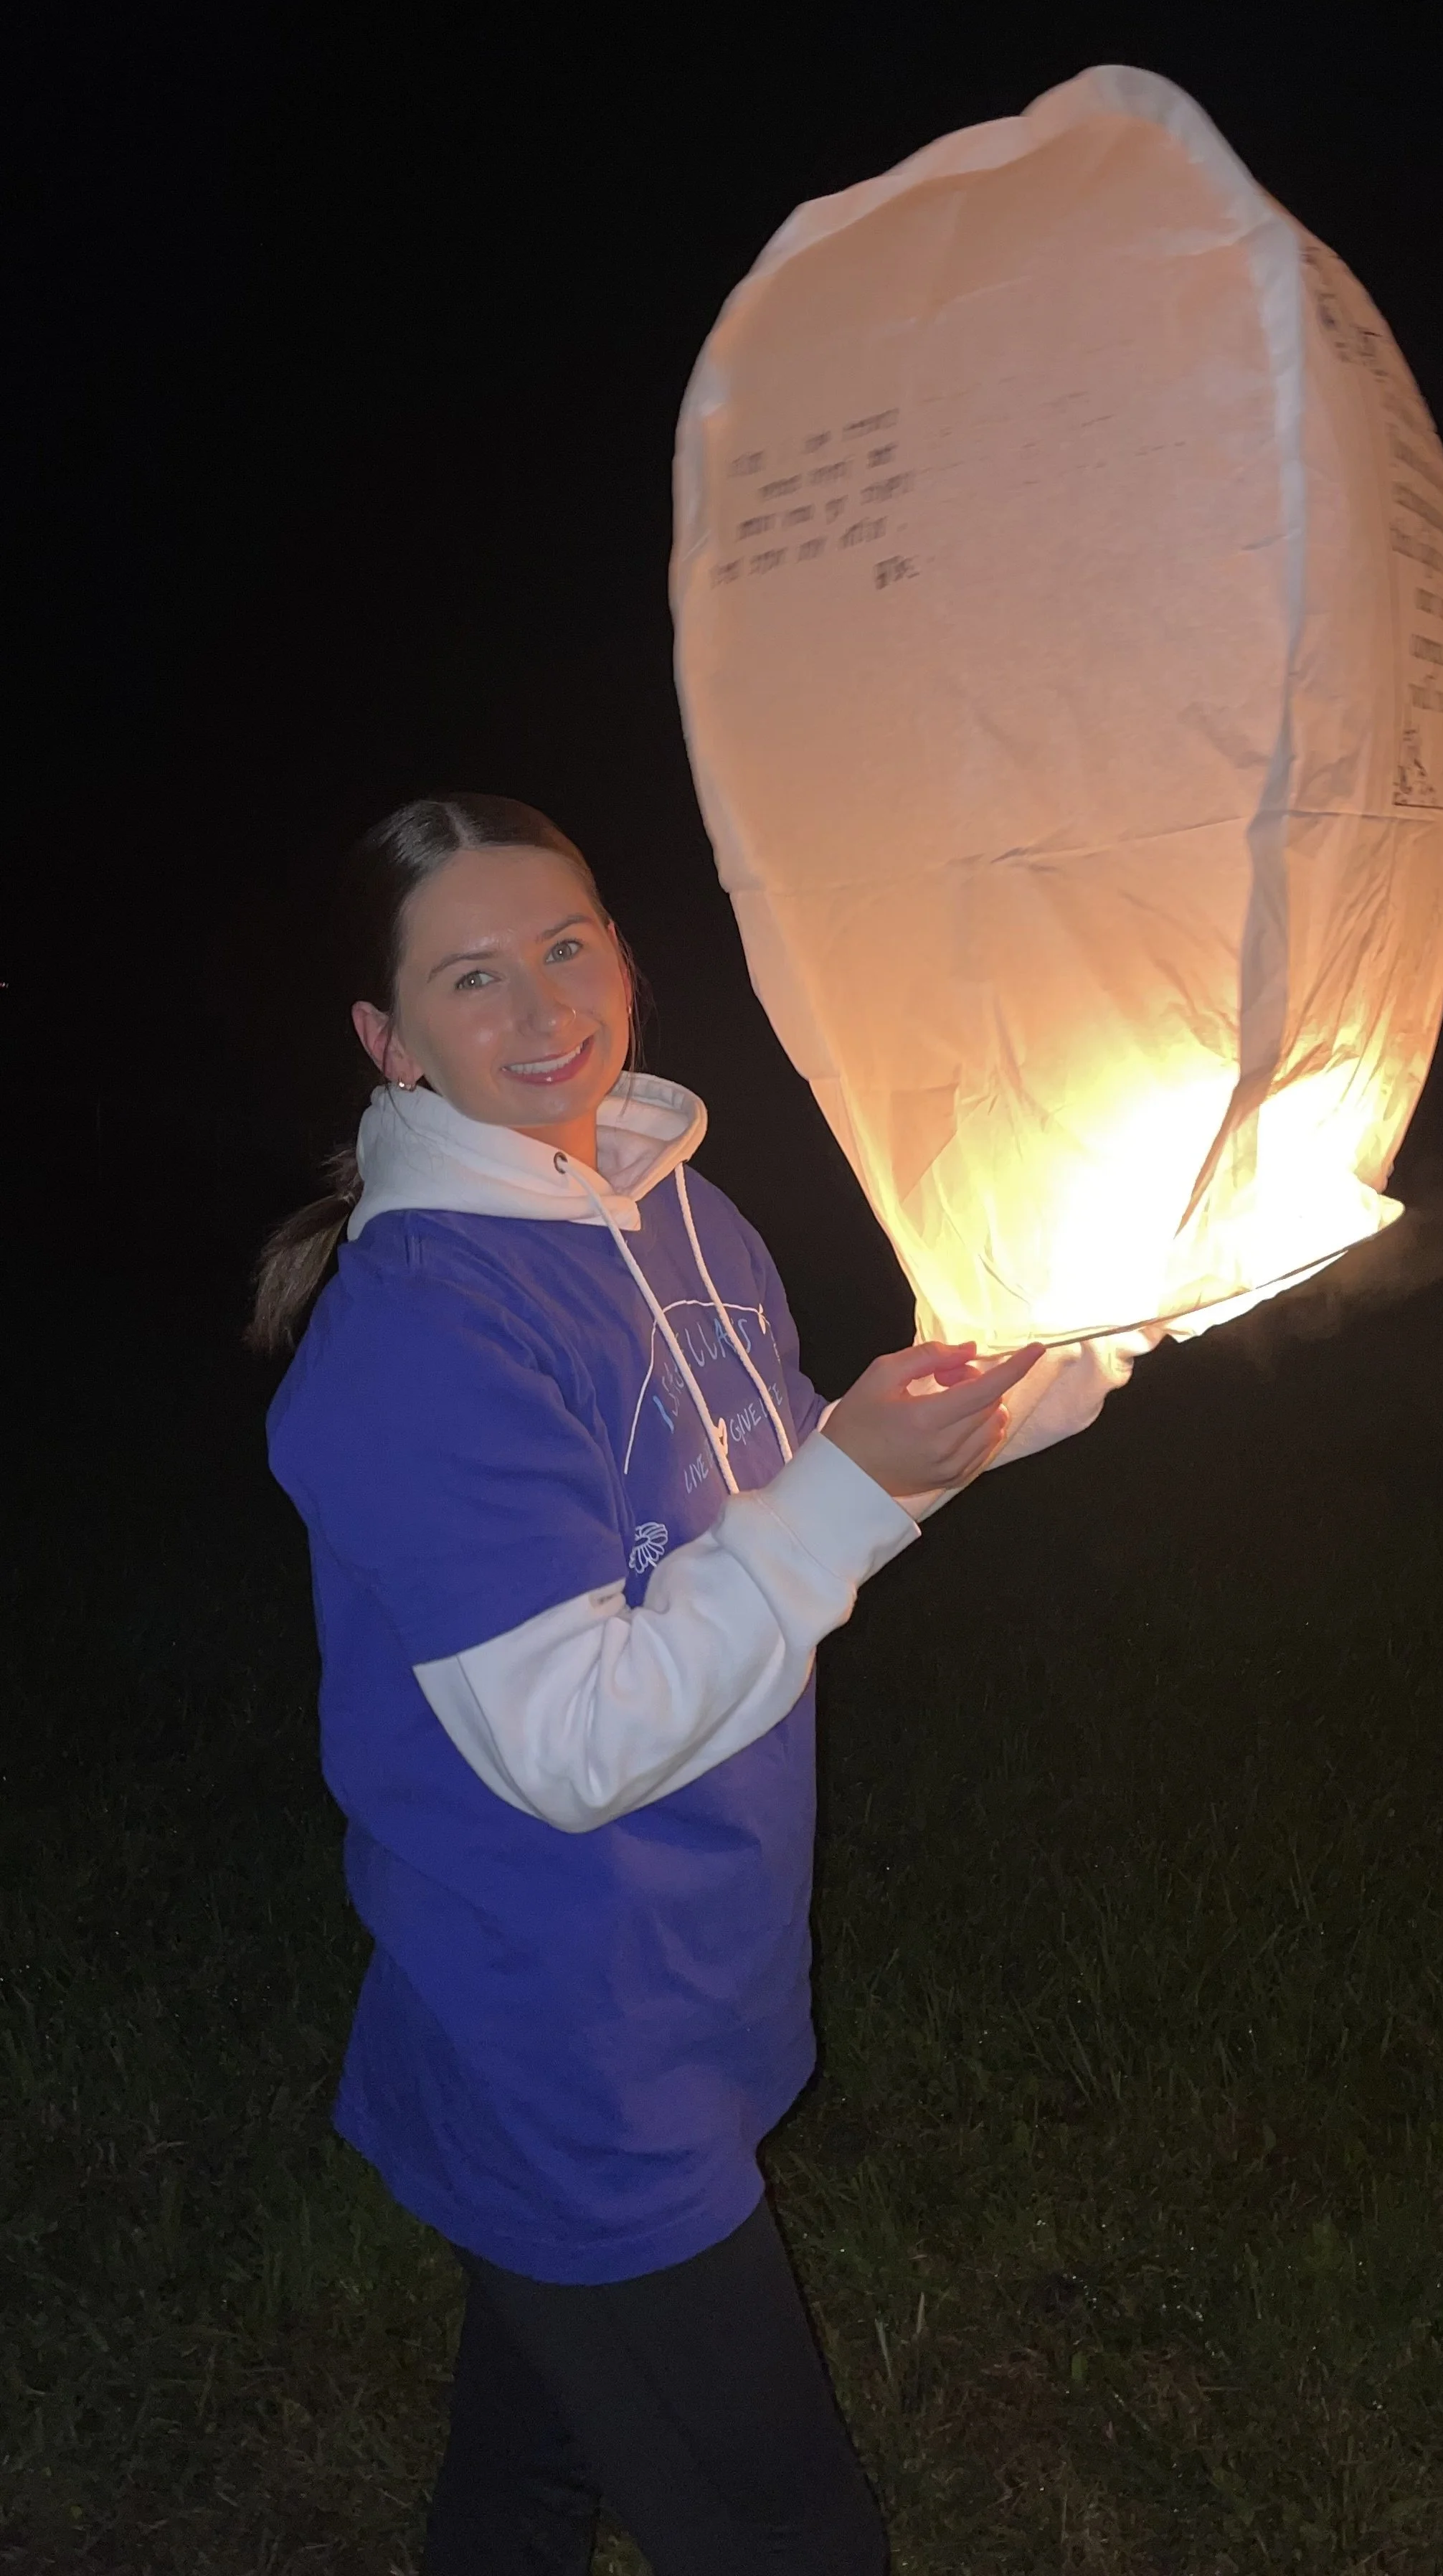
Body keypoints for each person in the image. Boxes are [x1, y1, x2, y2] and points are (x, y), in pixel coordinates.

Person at [256, 793, 1120, 2576]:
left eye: (567, 945)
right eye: (472, 977)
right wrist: (856, 1486)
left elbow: (771, 1500)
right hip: (570, 2047)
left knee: (534, 2468)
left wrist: (1075, 1345)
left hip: (695, 1967)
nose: (544, 1007)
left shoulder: (678, 1212)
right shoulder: (422, 1332)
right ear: (389, 1039)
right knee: (787, 2535)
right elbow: (575, 1743)